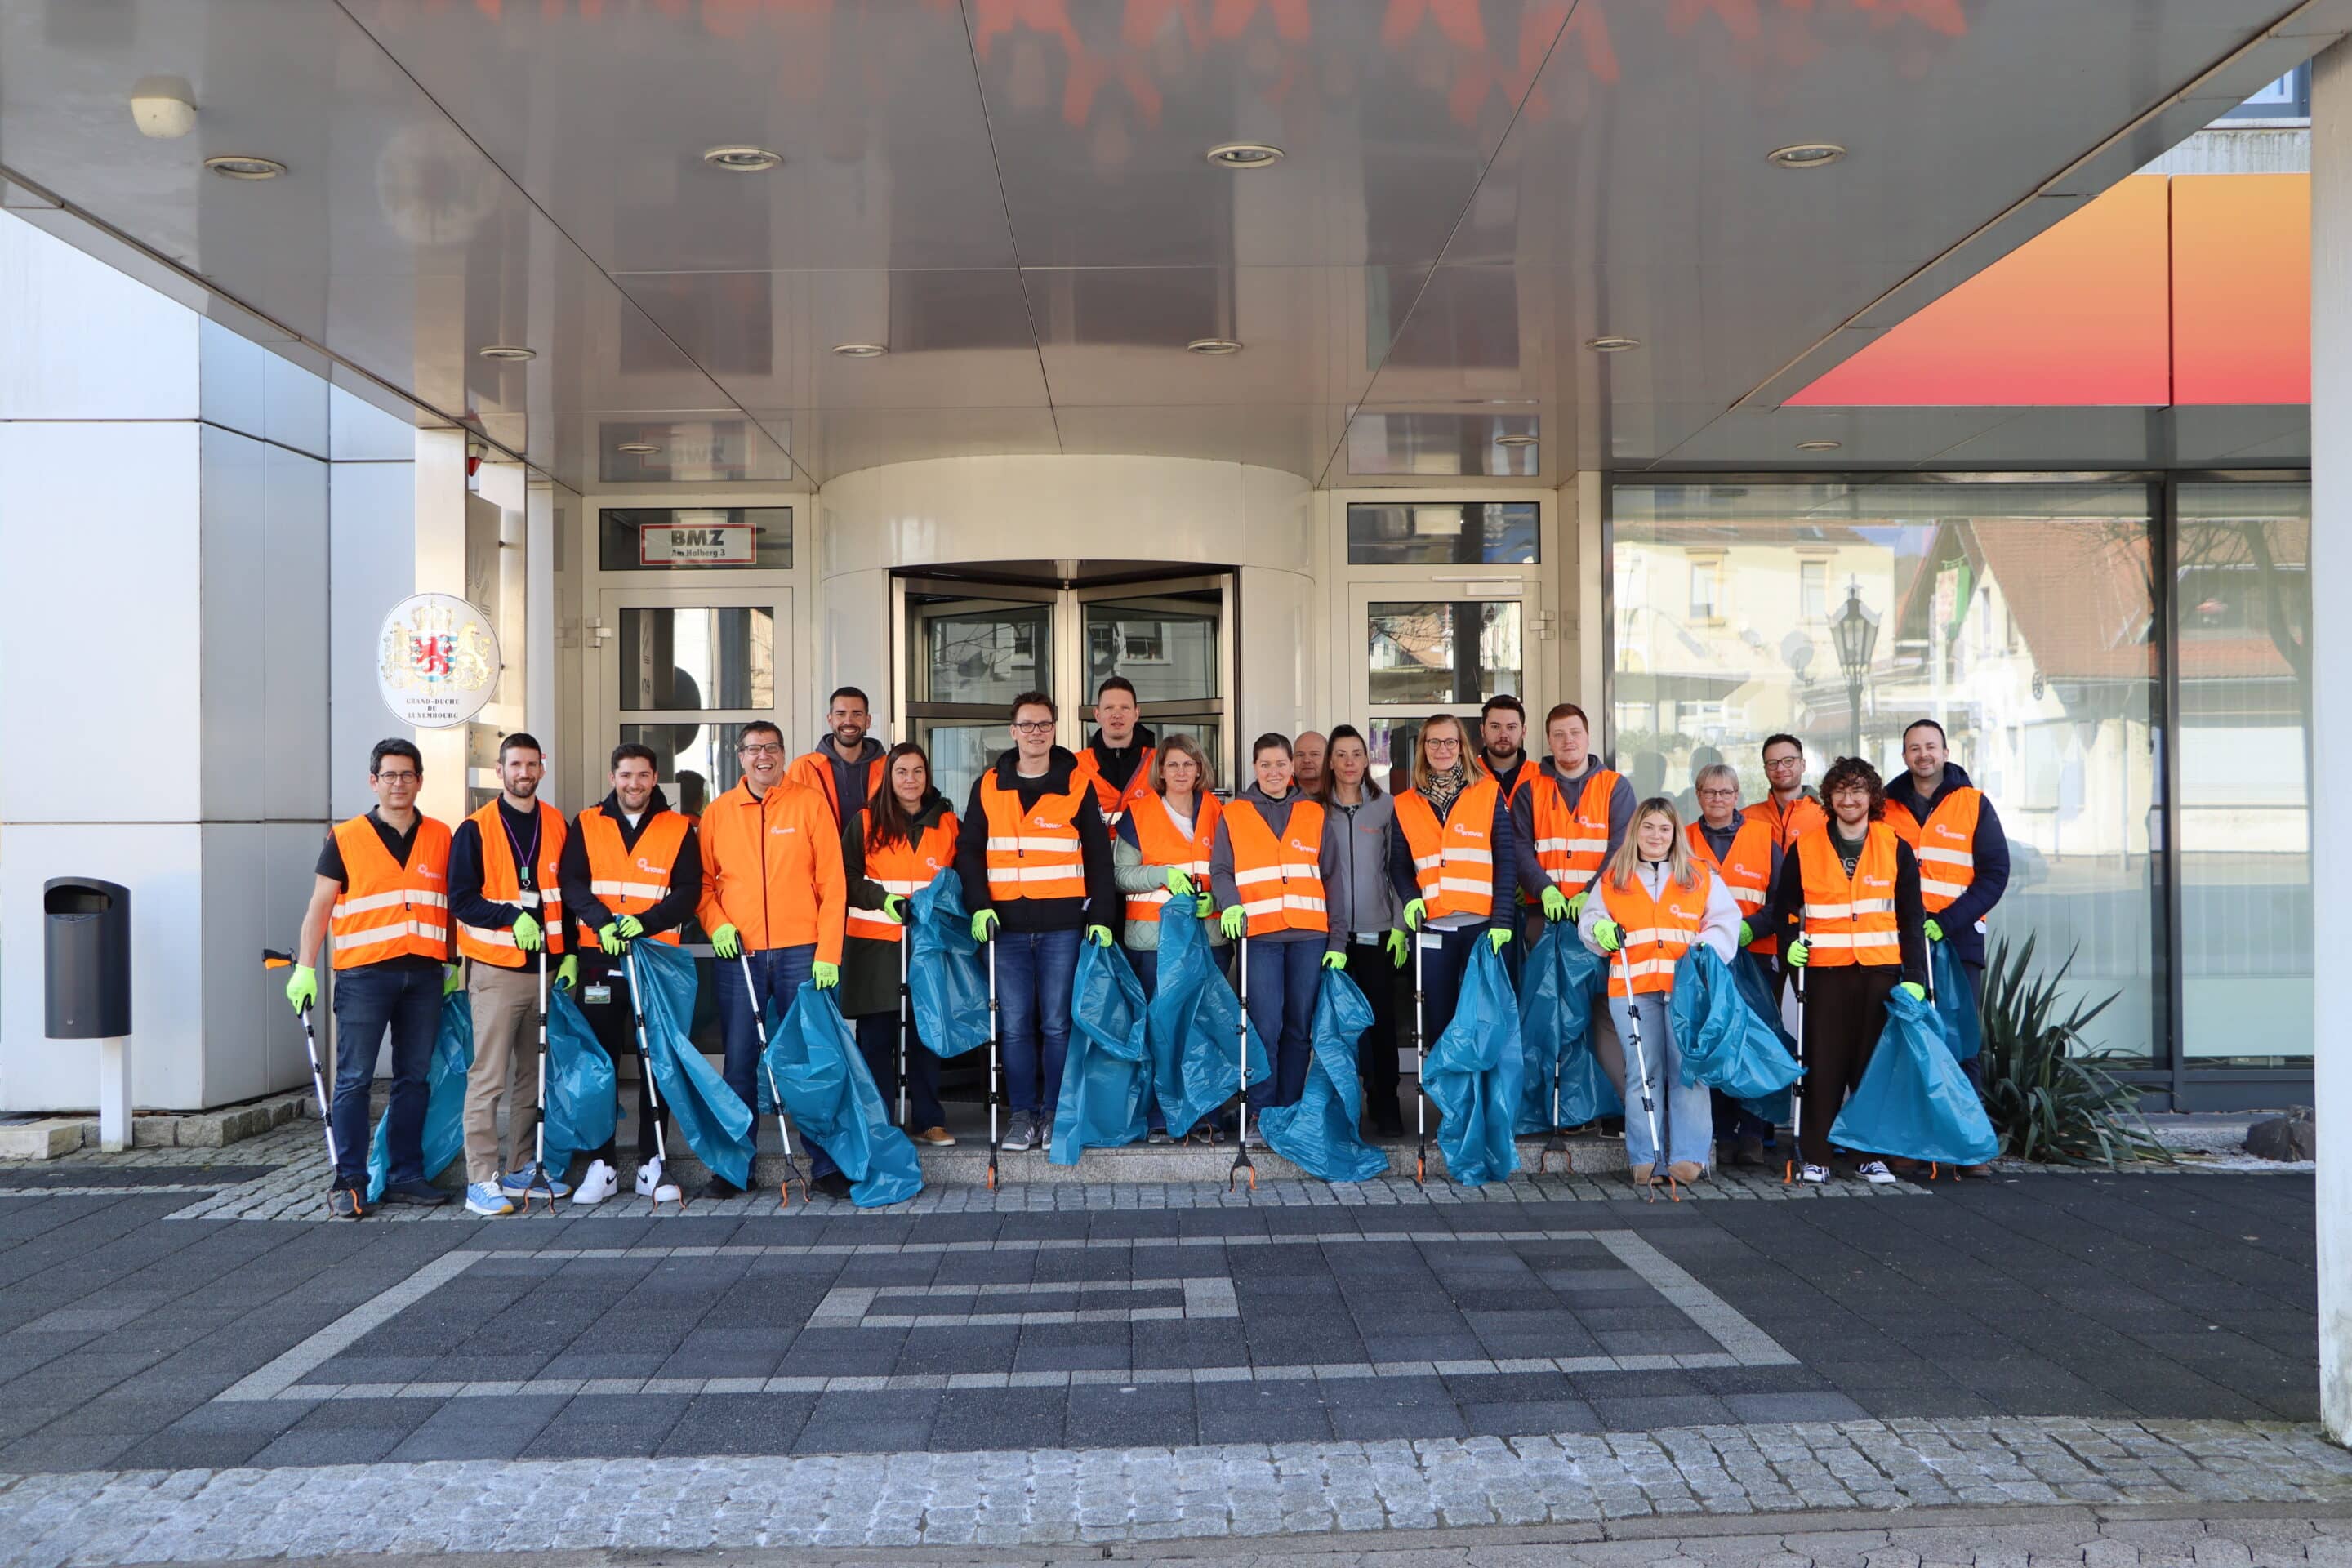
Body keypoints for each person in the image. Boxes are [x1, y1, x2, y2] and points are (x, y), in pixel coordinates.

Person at [283, 739, 457, 1218]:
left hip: (424, 974)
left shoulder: (442, 836)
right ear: (373, 781)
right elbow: (320, 906)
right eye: (389, 775)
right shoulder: (347, 837)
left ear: (420, 780)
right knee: (354, 1079)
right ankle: (351, 1179)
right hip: (363, 975)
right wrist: (304, 967)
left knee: (414, 1078)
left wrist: (454, 959)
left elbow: (453, 903)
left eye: (406, 775)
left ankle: (405, 1175)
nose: (398, 783)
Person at [954, 691, 1120, 1154]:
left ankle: (1054, 1113)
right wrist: (978, 903)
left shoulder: (1078, 783)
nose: (1035, 733)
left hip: (1062, 926)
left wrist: (1101, 916)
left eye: (1043, 725)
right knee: (1014, 1027)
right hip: (1003, 926)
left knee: (1057, 1025)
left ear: (1054, 729)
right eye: (1026, 725)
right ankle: (1022, 1116)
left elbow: (1098, 858)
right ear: (1013, 731)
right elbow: (968, 849)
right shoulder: (988, 783)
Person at [700, 720, 848, 1200]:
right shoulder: (719, 812)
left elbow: (832, 882)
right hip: (740, 953)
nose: (763, 755)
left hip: (801, 951)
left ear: (783, 754)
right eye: (753, 748)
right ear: (739, 757)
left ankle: (825, 1164)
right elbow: (703, 884)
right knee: (739, 1062)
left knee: (809, 1060)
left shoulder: (809, 803)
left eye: (772, 747)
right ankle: (734, 1168)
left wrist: (829, 951)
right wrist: (717, 922)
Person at [1769, 755, 1929, 1186]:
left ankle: (1867, 1156)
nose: (1849, 798)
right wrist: (1790, 948)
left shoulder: (1895, 846)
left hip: (1879, 973)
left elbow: (1911, 919)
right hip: (1825, 972)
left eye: (1858, 790)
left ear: (1873, 797)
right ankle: (1816, 1155)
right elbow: (1784, 909)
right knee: (1823, 1064)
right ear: (1829, 798)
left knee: (1871, 1067)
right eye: (1841, 790)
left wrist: (1915, 977)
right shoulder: (1806, 846)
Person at [556, 742, 703, 1205]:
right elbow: (571, 883)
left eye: (642, 775)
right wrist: (602, 923)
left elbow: (688, 891)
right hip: (600, 957)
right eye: (625, 775)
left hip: (655, 958)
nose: (634, 784)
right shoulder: (586, 823)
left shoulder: (679, 828)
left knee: (654, 1062)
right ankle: (600, 1164)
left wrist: (647, 922)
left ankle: (650, 1162)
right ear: (612, 776)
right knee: (599, 1063)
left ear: (655, 778)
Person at [1579, 797, 1742, 1187]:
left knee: (1687, 1071)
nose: (1656, 836)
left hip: (1685, 990)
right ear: (1636, 831)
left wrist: (1706, 949)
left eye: (1664, 829)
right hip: (1632, 989)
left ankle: (1688, 1156)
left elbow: (1725, 921)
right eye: (1648, 827)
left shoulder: (1699, 874)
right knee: (1642, 1073)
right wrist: (1599, 930)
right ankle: (1646, 1157)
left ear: (1675, 834)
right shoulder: (1615, 877)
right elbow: (1590, 920)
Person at [448, 733, 569, 1216]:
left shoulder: (557, 823)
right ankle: (481, 1179)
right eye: (514, 765)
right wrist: (507, 916)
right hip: (496, 973)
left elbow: (569, 894)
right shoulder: (474, 829)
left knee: (532, 1081)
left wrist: (571, 955)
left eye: (531, 764)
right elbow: (461, 898)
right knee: (488, 1078)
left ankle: (523, 1168)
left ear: (543, 768)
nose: (524, 773)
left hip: (545, 970)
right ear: (500, 771)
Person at [1885, 719, 2010, 1176]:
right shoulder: (1886, 806)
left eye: (1931, 746)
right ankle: (1915, 1145)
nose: (1923, 755)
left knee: (1961, 1043)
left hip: (1957, 940)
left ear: (1944, 751)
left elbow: (1994, 874)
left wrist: (1946, 922)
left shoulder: (1974, 804)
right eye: (1914, 748)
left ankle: (1971, 1148)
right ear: (1904, 756)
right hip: (1901, 941)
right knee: (1909, 1040)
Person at [1212, 734, 1349, 1129]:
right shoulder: (1234, 813)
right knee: (1264, 1025)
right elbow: (1221, 869)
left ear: (1292, 768)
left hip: (1309, 935)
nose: (1274, 772)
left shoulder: (1314, 813)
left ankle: (1289, 1108)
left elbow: (1332, 879)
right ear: (1255, 769)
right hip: (1260, 935)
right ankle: (1259, 1109)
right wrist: (1230, 902)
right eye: (1265, 765)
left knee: (1298, 1028)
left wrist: (1337, 940)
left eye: (1281, 764)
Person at [841, 742, 957, 1148]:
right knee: (877, 1038)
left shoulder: (947, 823)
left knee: (926, 1031)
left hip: (928, 945)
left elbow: (957, 882)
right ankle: (879, 1123)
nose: (911, 780)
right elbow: (847, 879)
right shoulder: (866, 821)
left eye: (918, 771)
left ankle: (929, 1119)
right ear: (888, 778)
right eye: (902, 772)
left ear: (928, 776)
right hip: (876, 946)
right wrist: (881, 900)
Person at [1112, 734, 1224, 1142]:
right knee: (1162, 1030)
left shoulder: (1217, 811)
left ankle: (1203, 1112)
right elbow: (1120, 876)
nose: (1181, 772)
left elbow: (1229, 870)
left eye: (1188, 765)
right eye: (1173, 764)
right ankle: (1160, 1114)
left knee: (1203, 1026)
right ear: (1161, 771)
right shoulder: (1138, 813)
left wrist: (1215, 896)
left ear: (1199, 770)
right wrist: (1161, 875)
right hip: (1152, 940)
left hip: (1207, 936)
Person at [1388, 713, 1516, 1062]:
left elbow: (1506, 860)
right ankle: (1451, 1112)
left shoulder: (1488, 793)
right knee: (1440, 1022)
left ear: (1462, 747)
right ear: (1423, 749)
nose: (1442, 749)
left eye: (1450, 741)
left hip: (1483, 930)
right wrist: (1411, 899)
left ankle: (1482, 1109)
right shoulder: (1405, 802)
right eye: (1434, 742)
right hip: (1432, 928)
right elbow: (1398, 865)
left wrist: (1503, 921)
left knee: (1484, 1022)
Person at [1684, 761, 1782, 1168]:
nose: (1718, 799)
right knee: (1715, 1041)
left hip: (1755, 955)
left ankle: (1754, 1134)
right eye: (1710, 792)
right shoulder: (1683, 839)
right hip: (1705, 959)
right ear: (1699, 796)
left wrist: (1752, 928)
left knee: (1754, 1042)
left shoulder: (1763, 837)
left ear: (1738, 796)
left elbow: (1783, 899)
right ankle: (1722, 1134)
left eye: (1726, 793)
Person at [1319, 724, 1405, 1135]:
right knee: (1331, 1022)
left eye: (1357, 753)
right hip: (1327, 934)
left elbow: (1401, 868)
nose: (1350, 762)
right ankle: (1337, 1104)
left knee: (1379, 1022)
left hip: (1377, 930)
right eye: (1341, 754)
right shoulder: (1314, 809)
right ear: (1330, 762)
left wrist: (1402, 925)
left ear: (1366, 760)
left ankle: (1385, 1102)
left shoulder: (1387, 806)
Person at [1515, 702, 1634, 926]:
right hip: (1543, 914)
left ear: (1588, 737)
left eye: (1575, 733)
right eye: (1558, 734)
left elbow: (1622, 848)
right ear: (1549, 742)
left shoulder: (1615, 787)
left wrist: (1591, 891)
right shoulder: (1529, 791)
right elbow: (1519, 850)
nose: (1568, 740)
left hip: (1602, 910)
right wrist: (1545, 889)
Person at [787, 687, 884, 826]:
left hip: (876, 848)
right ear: (830, 719)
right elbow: (789, 821)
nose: (848, 721)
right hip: (820, 848)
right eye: (841, 714)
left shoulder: (889, 768)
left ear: (868, 721)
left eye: (857, 714)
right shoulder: (803, 768)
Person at [1070, 676, 1155, 826]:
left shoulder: (1159, 763)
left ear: (1136, 713)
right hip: (1096, 850)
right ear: (1097, 715)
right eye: (1109, 708)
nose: (1117, 714)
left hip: (1145, 850)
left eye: (1125, 708)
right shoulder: (1076, 765)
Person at [1745, 733, 1827, 853]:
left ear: (1803, 765)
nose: (1781, 768)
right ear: (1765, 770)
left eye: (1788, 761)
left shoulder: (1827, 818)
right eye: (1773, 763)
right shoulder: (1746, 819)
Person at [1291, 729, 1328, 798]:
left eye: (1314, 754)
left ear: (1329, 760)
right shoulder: (1280, 793)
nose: (1306, 760)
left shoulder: (1342, 794)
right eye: (1300, 755)